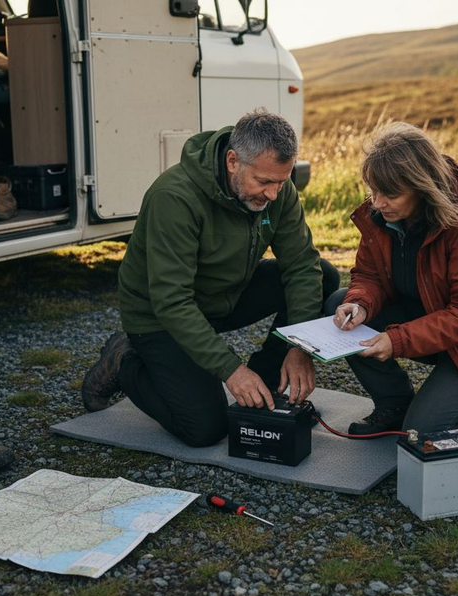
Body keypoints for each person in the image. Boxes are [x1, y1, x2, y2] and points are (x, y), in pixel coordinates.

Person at [81, 110, 340, 447]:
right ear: (233, 161)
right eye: (264, 182)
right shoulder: (174, 198)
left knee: (326, 275)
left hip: (224, 295)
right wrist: (231, 370)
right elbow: (172, 301)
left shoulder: (277, 188)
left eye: (282, 181)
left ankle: (264, 380)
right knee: (206, 429)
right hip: (160, 316)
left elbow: (302, 266)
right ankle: (124, 360)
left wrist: (301, 345)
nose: (274, 194)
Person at [326, 122, 458, 436]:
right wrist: (359, 303)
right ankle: (394, 404)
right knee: (338, 302)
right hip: (432, 325)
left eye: (390, 194)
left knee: (422, 434)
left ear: (422, 187)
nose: (378, 202)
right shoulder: (381, 217)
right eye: (374, 191)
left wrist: (397, 340)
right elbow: (369, 274)